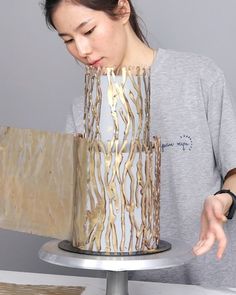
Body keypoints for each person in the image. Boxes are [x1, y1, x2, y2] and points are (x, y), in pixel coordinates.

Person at [43, 0, 236, 287]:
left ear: (122, 9)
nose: (81, 51)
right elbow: (70, 209)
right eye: (68, 40)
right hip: (128, 285)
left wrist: (223, 199)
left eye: (88, 30)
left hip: (207, 281)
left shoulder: (198, 76)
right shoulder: (83, 108)